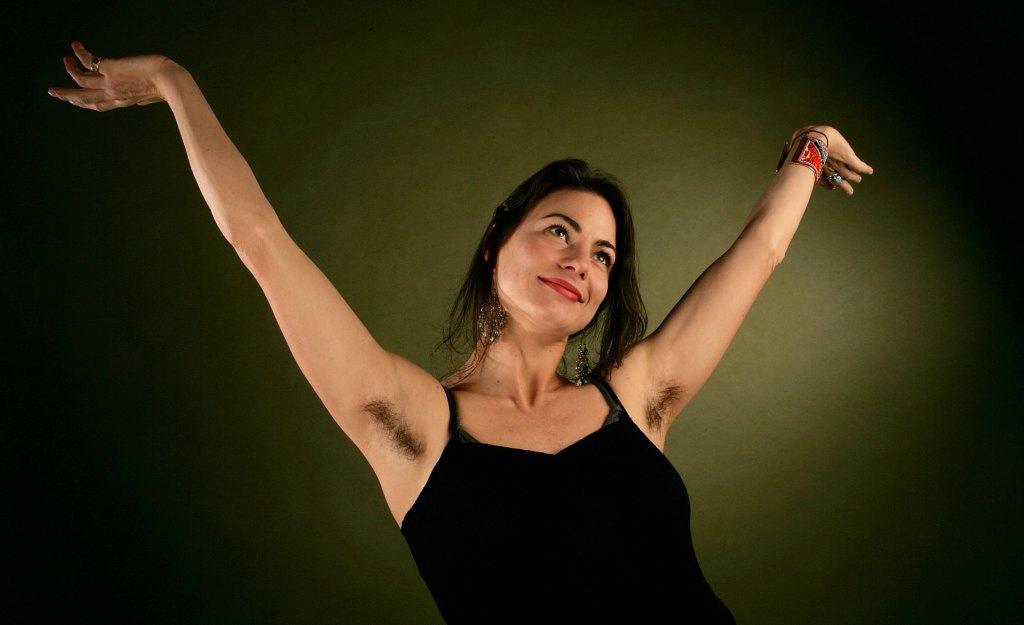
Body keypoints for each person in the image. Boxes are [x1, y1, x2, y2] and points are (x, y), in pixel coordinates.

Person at [49, 42, 873, 624]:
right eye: (558, 230)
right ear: (496, 242)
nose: (580, 262)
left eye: (602, 254)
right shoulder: (411, 425)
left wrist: (807, 148)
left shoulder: (639, 398)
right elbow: (259, 240)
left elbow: (761, 251)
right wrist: (172, 80)